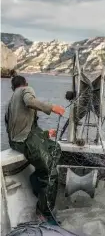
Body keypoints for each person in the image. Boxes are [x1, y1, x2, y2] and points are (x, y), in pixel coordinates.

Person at [5, 75, 65, 223]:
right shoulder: (26, 90)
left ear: (12, 88)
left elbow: (22, 128)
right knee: (51, 173)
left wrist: (45, 134)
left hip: (17, 142)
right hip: (26, 142)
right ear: (25, 84)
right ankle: (44, 211)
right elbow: (30, 101)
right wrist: (52, 108)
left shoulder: (10, 102)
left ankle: (36, 176)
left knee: (55, 147)